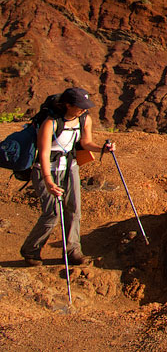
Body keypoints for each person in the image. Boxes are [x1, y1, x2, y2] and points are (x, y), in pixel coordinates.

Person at [20, 87, 115, 266]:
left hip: (70, 166)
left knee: (74, 209)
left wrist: (102, 149)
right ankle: (31, 250)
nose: (84, 109)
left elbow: (85, 142)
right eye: (79, 106)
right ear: (67, 105)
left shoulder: (84, 119)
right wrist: (48, 180)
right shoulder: (51, 123)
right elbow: (44, 152)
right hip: (45, 169)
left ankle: (73, 252)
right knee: (53, 213)